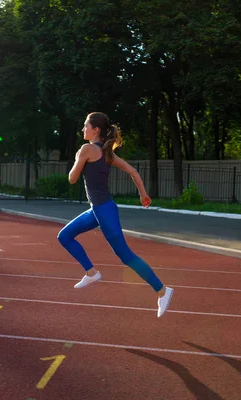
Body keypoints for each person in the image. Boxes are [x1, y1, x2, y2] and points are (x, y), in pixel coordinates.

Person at [57, 112, 174, 318]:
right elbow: (134, 172)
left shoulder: (87, 149)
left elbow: (72, 178)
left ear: (96, 130)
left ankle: (162, 291)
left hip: (104, 210)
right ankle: (91, 272)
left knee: (125, 255)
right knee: (64, 236)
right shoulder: (107, 153)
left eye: (85, 126)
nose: (83, 129)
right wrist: (143, 194)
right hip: (98, 209)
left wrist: (78, 158)